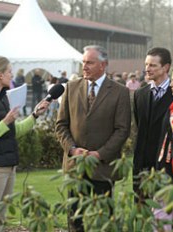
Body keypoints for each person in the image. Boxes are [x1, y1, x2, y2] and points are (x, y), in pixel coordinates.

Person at [55, 45, 131, 232]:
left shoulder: (120, 92)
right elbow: (61, 125)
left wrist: (100, 154)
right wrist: (72, 149)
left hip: (103, 168)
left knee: (105, 220)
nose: (85, 66)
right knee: (75, 219)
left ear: (103, 65)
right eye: (83, 62)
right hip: (75, 167)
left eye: (90, 62)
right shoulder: (71, 88)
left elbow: (122, 130)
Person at [0, 56, 49, 232]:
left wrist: (35, 115)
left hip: (9, 166)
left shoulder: (4, 98)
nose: (11, 75)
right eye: (9, 72)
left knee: (0, 219)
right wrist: (5, 122)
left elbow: (16, 131)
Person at [133, 47, 173, 198]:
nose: (147, 69)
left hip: (165, 166)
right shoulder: (140, 94)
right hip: (142, 165)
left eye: (152, 65)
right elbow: (140, 126)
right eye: (146, 65)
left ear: (166, 67)